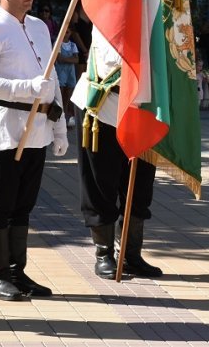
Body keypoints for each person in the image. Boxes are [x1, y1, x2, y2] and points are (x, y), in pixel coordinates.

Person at [0, 0, 69, 301]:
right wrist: (26, 89)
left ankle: (17, 272)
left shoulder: (40, 27)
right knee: (0, 203)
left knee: (24, 205)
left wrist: (60, 128)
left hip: (39, 126)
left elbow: (51, 75)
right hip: (7, 128)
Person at [71, 27, 163, 280]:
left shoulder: (153, 14)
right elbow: (113, 61)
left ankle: (131, 254)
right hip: (105, 105)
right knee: (102, 183)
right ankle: (104, 254)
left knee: (141, 185)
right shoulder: (109, 15)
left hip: (143, 109)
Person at [55, 28, 79, 128]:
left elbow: (77, 59)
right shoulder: (57, 43)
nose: (65, 34)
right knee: (59, 97)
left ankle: (64, 118)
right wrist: (71, 59)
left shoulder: (73, 45)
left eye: (68, 32)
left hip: (70, 75)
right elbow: (59, 59)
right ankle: (58, 119)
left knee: (67, 98)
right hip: (60, 73)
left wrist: (65, 59)